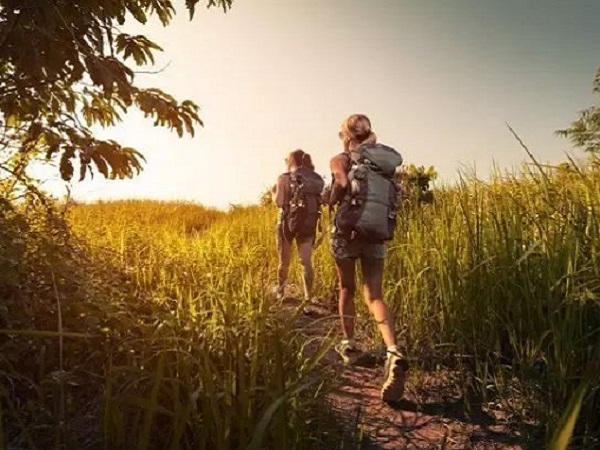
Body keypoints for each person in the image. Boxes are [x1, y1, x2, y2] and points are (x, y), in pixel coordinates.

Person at [323, 114, 409, 403]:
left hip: (347, 231)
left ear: (346, 135)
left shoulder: (342, 157)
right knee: (374, 295)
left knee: (346, 287)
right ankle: (393, 350)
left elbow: (341, 184)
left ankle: (349, 345)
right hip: (376, 232)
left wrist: (330, 197)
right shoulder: (382, 162)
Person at [272, 149, 324, 306]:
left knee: (284, 261)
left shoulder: (284, 178)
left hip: (286, 223)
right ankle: (308, 298)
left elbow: (279, 202)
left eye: (286, 159)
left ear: (291, 160)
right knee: (306, 262)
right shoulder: (315, 179)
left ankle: (280, 290)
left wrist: (273, 192)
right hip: (308, 223)